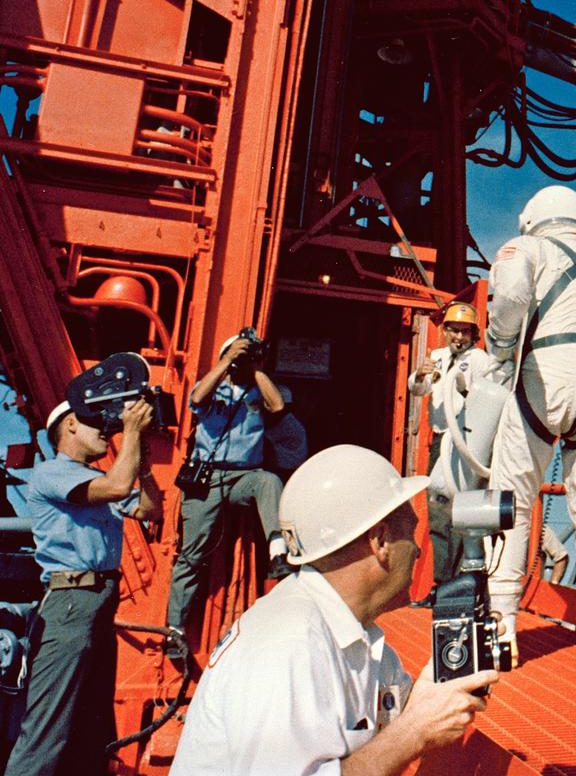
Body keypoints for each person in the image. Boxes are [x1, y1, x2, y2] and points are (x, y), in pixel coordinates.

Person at [170, 445, 498, 775]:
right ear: (380, 542)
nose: (415, 551)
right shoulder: (289, 644)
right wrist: (413, 732)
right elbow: (406, 733)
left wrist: (440, 688)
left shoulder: (358, 637)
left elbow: (401, 720)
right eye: (410, 534)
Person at [484, 185, 576, 662]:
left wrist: (501, 348)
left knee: (513, 500)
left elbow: (508, 295)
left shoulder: (526, 248)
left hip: (544, 385)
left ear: (531, 218)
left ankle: (501, 625)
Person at [6, 397, 162, 776]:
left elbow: (148, 508)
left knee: (90, 727)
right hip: (71, 603)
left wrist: (141, 463)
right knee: (47, 728)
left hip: (98, 602)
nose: (106, 433)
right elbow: (116, 486)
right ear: (71, 425)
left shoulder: (95, 479)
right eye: (97, 425)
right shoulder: (54, 473)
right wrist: (133, 434)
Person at [166, 332, 292, 648]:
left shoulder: (258, 390)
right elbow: (196, 400)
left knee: (268, 481)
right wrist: (226, 361)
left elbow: (276, 405)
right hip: (207, 478)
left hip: (243, 476)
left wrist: (257, 366)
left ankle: (278, 550)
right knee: (191, 556)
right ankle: (175, 628)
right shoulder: (215, 387)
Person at [408, 301, 500, 584]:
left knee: (461, 511)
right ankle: (443, 580)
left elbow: (489, 396)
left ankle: (459, 579)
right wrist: (421, 374)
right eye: (454, 331)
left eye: (464, 332)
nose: (458, 337)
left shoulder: (480, 360)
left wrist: (465, 389)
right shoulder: (436, 356)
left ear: (474, 334)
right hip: (440, 442)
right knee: (438, 510)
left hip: (464, 441)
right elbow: (417, 389)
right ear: (445, 331)